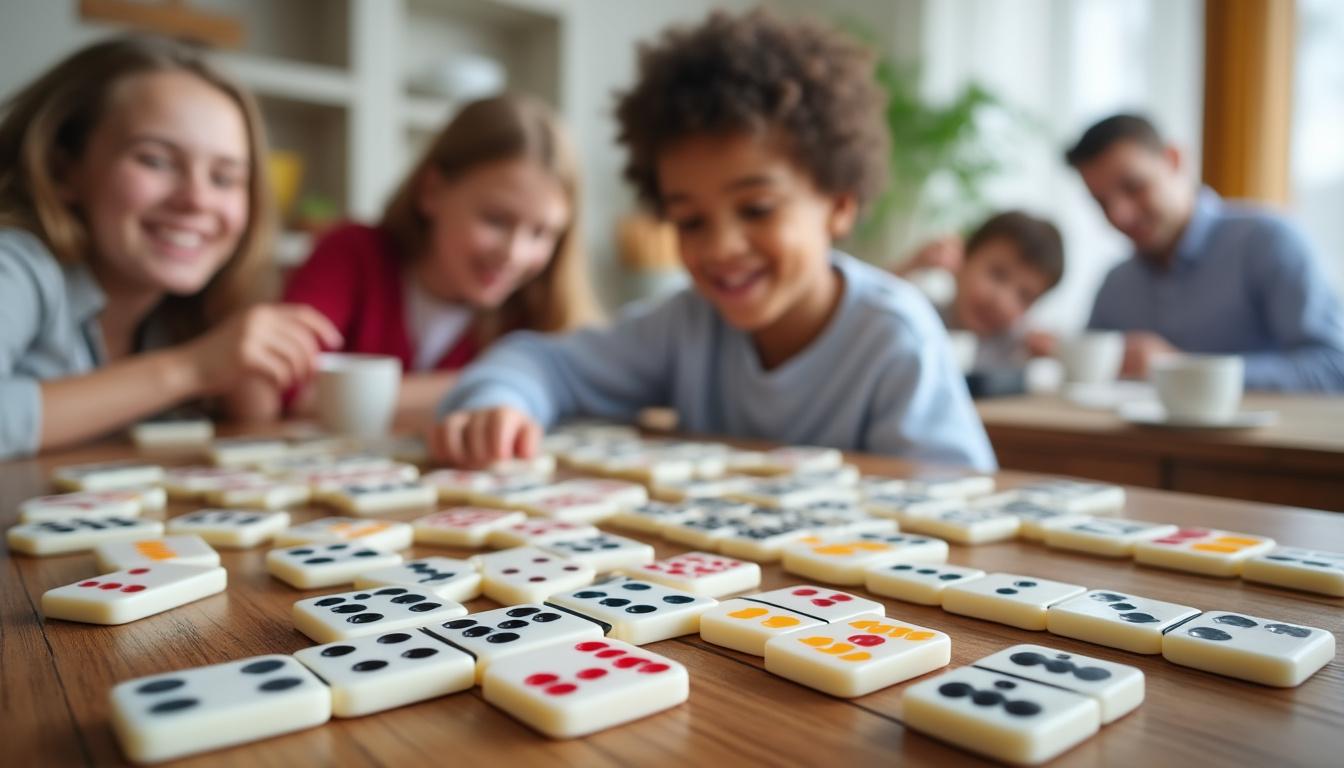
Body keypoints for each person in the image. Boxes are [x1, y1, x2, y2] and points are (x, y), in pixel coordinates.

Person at [428, 9, 996, 472]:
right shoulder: (687, 325)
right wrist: (497, 404)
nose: (721, 247)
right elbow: (540, 362)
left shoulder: (895, 338)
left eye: (756, 209)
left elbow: (959, 502)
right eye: (690, 220)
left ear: (839, 203)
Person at [0, 36, 340, 460]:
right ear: (62, 168)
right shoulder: (16, 265)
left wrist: (245, 385)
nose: (197, 200)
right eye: (155, 160)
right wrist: (190, 369)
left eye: (224, 178)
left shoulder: (181, 311)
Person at [276, 95, 600, 422]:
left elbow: (582, 390)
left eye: (541, 233)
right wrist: (504, 378)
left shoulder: (539, 310)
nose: (514, 254)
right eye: (496, 220)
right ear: (431, 191)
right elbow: (283, 388)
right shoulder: (352, 254)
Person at [1066, 113, 1344, 391]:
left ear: (1174, 160)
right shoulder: (1116, 284)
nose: (1119, 215)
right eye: (1102, 203)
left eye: (1134, 187)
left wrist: (1182, 368)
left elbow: (1334, 367)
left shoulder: (1267, 242)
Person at [896, 211, 1064, 370]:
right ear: (963, 258)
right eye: (998, 274)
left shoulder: (1017, 348)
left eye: (1025, 296)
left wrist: (1050, 353)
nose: (1001, 301)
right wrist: (912, 265)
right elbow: (873, 304)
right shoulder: (923, 315)